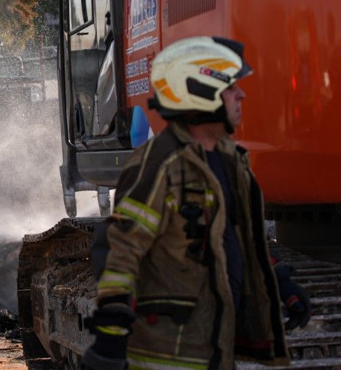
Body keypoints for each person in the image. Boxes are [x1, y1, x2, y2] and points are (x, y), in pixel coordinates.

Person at [81, 37, 311, 369]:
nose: (241, 95)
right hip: (167, 355)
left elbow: (234, 236)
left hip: (213, 348)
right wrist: (110, 336)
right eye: (231, 87)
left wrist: (280, 284)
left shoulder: (230, 160)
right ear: (200, 91)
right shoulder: (161, 163)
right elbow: (121, 250)